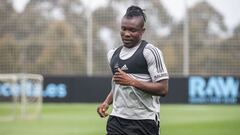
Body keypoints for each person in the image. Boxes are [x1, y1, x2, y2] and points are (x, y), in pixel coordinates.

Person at [97, 5, 169, 135]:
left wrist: (133, 82)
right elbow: (118, 86)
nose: (127, 34)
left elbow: (163, 89)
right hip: (117, 120)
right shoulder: (113, 54)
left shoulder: (150, 52)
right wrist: (107, 102)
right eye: (123, 29)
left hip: (144, 121)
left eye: (132, 30)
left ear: (142, 31)